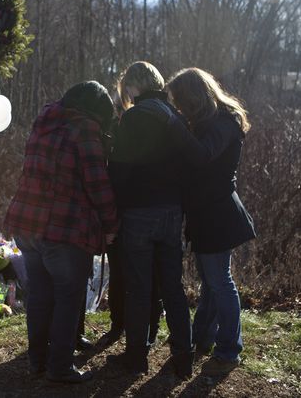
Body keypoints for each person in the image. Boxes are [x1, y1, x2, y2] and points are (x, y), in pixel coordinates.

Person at [4, 80, 118, 384]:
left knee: (40, 295)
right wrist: (111, 225)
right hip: (62, 228)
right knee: (68, 297)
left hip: (27, 223)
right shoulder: (85, 130)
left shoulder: (44, 123)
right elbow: (97, 185)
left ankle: (37, 361)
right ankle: (60, 367)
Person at [165, 68, 256, 375]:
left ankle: (229, 348)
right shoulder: (212, 122)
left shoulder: (222, 123)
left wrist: (176, 128)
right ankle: (202, 339)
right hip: (208, 213)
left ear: (193, 97)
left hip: (218, 214)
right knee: (212, 282)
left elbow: (202, 156)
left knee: (220, 282)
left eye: (180, 102)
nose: (178, 109)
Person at [106, 61, 194, 378]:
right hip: (172, 211)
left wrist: (113, 208)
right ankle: (184, 354)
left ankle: (136, 356)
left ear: (132, 87)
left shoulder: (133, 118)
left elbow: (121, 169)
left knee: (140, 288)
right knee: (172, 286)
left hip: (139, 212)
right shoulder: (175, 118)